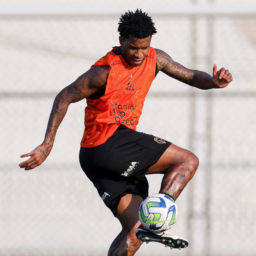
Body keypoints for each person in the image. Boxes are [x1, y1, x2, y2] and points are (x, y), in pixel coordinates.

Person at [19, 9, 233, 256]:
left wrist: (214, 82)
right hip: (108, 144)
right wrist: (47, 144)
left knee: (133, 231)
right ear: (121, 42)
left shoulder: (156, 59)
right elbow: (64, 96)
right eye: (133, 48)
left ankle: (149, 224)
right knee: (188, 160)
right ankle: (159, 216)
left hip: (93, 159)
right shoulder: (104, 71)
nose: (140, 54)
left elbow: (193, 76)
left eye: (144, 47)